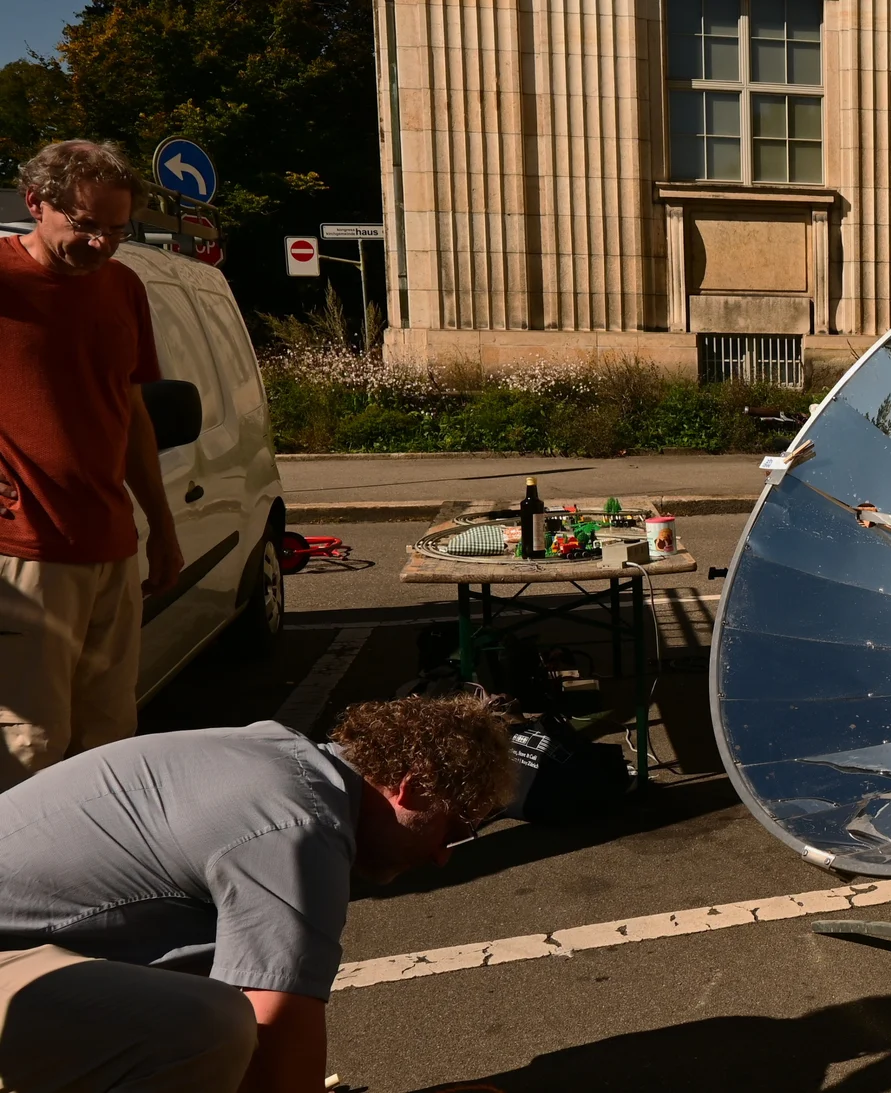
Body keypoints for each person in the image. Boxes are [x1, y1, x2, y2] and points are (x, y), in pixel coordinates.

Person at [0, 694, 517, 1093]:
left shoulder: (283, 755)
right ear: (415, 787)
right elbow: (277, 1026)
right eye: (455, 830)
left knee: (216, 996)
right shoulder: (298, 824)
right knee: (207, 1027)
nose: (444, 856)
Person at [0, 139, 185, 791]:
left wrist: (161, 526)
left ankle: (95, 887)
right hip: (28, 550)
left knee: (109, 741)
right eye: (86, 225)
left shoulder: (124, 287)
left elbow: (131, 411)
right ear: (36, 204)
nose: (103, 244)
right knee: (31, 746)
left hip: (111, 543)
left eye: (117, 228)